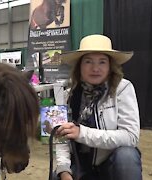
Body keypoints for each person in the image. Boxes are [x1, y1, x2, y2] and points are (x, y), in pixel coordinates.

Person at [55, 34, 142, 180]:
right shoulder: (66, 95)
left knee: (126, 156)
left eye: (102, 62)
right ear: (79, 66)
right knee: (55, 175)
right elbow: (60, 139)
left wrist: (82, 133)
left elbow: (130, 137)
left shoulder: (122, 88)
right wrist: (64, 171)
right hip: (79, 165)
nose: (95, 68)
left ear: (110, 66)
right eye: (88, 62)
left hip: (111, 164)